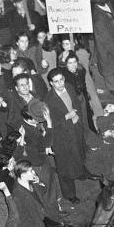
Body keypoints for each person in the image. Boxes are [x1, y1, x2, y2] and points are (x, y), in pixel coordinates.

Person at [43, 69, 97, 204]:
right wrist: (67, 116)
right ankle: (69, 194)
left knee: (79, 152)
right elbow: (49, 123)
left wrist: (77, 119)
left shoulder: (69, 87)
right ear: (51, 83)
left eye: (61, 80)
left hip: (75, 129)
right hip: (61, 136)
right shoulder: (49, 100)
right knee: (64, 166)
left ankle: (81, 172)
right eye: (56, 82)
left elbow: (76, 104)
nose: (60, 84)